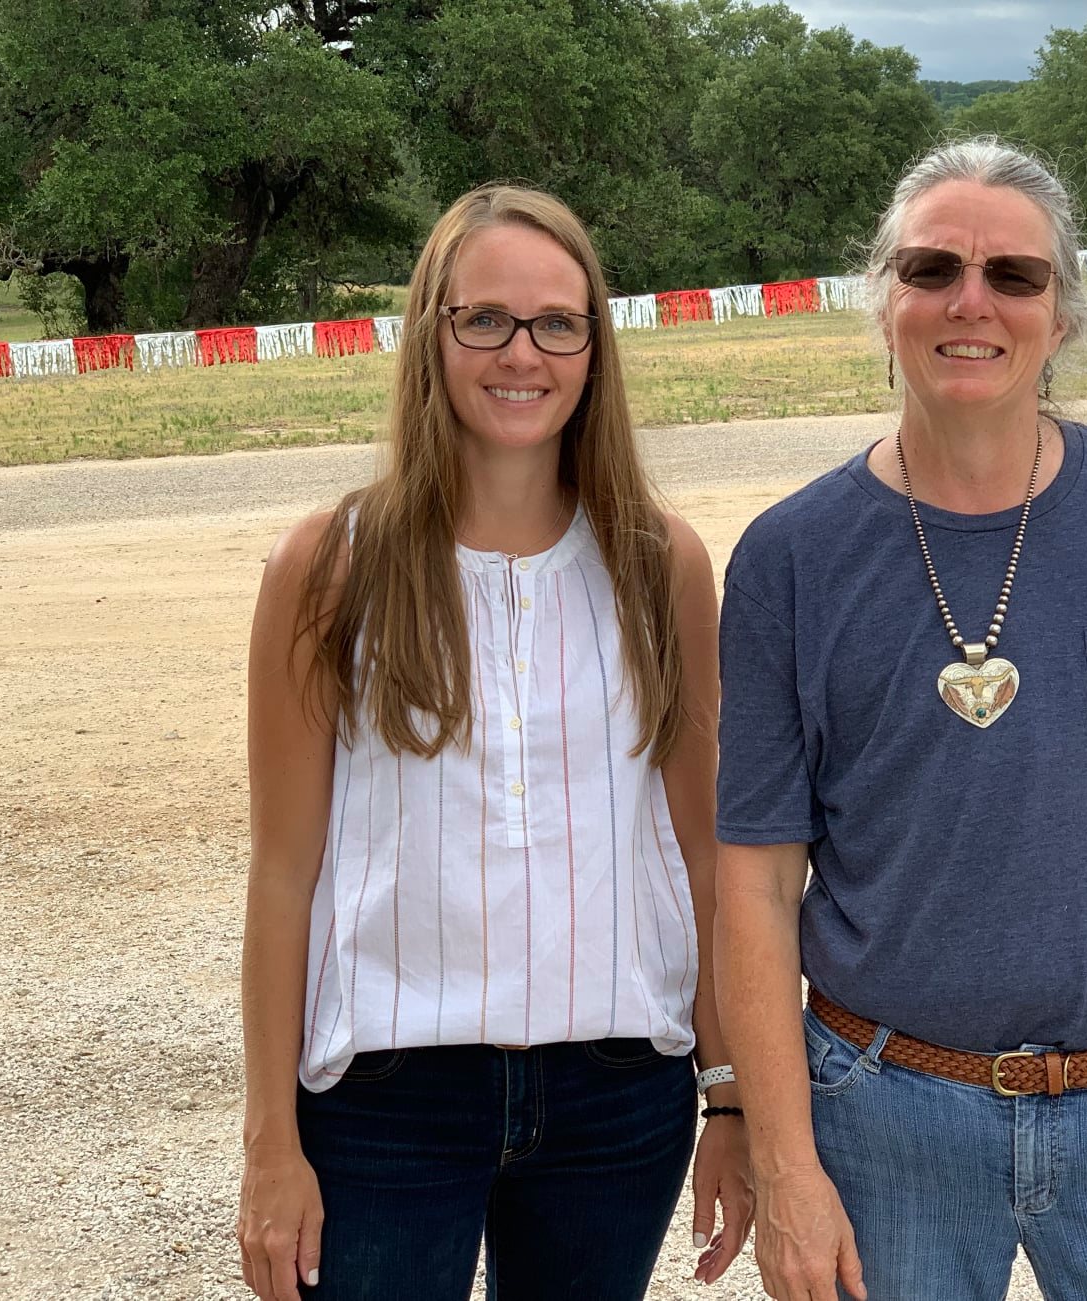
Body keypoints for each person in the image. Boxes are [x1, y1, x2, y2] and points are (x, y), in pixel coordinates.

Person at [714, 137, 1087, 1301]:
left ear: (1063, 311)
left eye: (1015, 276)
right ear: (883, 296)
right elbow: (754, 877)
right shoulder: (792, 556)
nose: (970, 302)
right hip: (886, 1116)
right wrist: (788, 1165)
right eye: (932, 267)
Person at [237, 184, 752, 1301]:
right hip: (384, 1099)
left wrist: (730, 1095)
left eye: (558, 322)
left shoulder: (660, 564)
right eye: (486, 319)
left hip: (616, 1097)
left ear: (594, 345)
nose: (523, 353)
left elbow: (703, 854)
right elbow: (284, 874)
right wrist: (269, 1143)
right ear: (432, 332)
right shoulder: (329, 565)